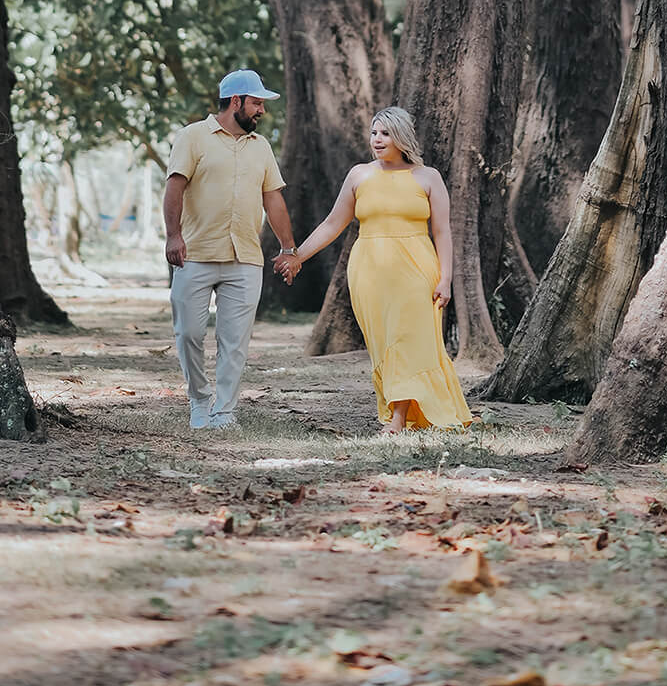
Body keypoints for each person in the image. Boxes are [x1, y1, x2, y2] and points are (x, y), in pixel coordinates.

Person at [275, 106, 472, 433]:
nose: (377, 139)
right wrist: (297, 256)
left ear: (402, 137)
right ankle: (404, 411)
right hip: (370, 271)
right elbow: (331, 225)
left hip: (417, 269)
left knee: (409, 339)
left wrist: (446, 278)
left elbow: (443, 232)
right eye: (374, 132)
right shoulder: (359, 175)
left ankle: (397, 419)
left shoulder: (428, 177)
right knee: (385, 341)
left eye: (385, 133)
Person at [163, 68, 297, 432]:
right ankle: (199, 402)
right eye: (256, 103)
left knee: (234, 341)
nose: (261, 112)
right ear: (235, 101)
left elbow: (274, 199)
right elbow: (174, 187)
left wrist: (289, 248)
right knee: (189, 332)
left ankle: (224, 412)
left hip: (245, 258)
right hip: (196, 253)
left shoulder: (261, 147)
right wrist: (173, 236)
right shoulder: (193, 137)